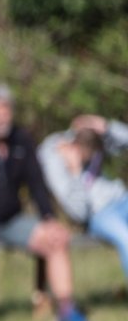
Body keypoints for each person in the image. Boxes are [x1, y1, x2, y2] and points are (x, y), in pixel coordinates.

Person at [0, 86, 87, 321]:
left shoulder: (22, 140)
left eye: (4, 110)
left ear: (11, 112)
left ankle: (67, 311)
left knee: (56, 239)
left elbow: (37, 184)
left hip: (12, 221)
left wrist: (49, 219)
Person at [38, 114, 128, 284]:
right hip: (99, 215)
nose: (94, 156)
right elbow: (78, 213)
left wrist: (107, 126)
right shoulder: (55, 157)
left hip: (121, 198)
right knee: (126, 238)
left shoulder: (90, 138)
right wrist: (76, 171)